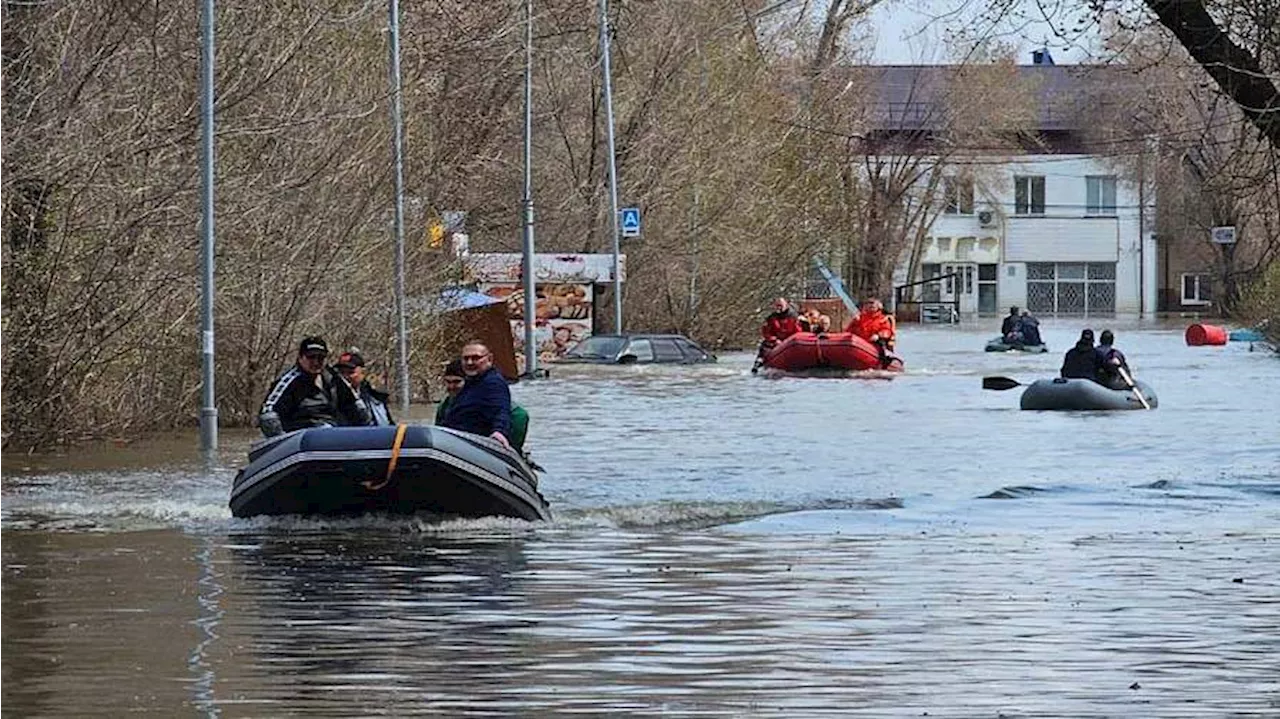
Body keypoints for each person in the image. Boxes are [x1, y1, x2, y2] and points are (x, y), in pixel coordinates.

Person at [258, 336, 370, 437]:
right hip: (301, 437)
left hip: (332, 433)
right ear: (301, 358)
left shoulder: (333, 378)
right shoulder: (289, 381)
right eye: (311, 357)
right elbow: (267, 412)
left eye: (321, 358)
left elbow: (355, 406)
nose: (316, 362)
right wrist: (280, 438)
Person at [435, 360, 530, 452]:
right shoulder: (445, 406)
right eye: (448, 382)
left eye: (457, 382)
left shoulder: (497, 403)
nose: (451, 387)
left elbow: (520, 417)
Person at [440, 341, 513, 449]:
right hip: (455, 441)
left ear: (489, 359)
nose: (469, 362)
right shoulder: (471, 383)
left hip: (474, 445)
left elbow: (500, 409)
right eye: (466, 358)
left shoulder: (493, 383)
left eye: (475, 358)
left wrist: (499, 431)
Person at [335, 348, 394, 426]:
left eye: (350, 372)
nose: (345, 377)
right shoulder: (332, 397)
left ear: (363, 373)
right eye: (341, 372)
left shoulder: (375, 398)